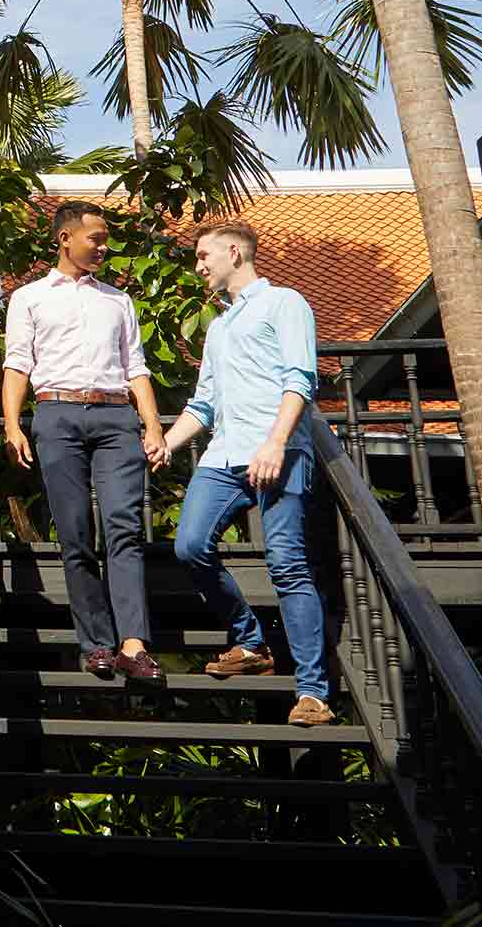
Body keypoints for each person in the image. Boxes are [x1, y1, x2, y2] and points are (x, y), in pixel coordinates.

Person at [158, 219, 336, 726]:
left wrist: (276, 443)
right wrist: (164, 446)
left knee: (287, 564)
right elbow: (205, 404)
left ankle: (313, 694)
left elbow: (301, 379)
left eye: (202, 256)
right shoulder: (219, 326)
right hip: (224, 454)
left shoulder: (286, 303)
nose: (198, 266)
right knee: (190, 545)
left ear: (234, 253)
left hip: (278, 451)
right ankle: (250, 641)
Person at [2, 201, 166, 685]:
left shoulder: (118, 301)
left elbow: (136, 367)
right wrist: (13, 425)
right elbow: (17, 365)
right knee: (75, 534)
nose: (103, 247)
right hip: (56, 414)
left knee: (123, 525)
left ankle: (134, 644)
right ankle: (96, 644)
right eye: (96, 238)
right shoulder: (29, 298)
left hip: (116, 416)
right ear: (65, 238)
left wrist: (152, 425)